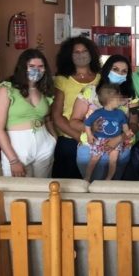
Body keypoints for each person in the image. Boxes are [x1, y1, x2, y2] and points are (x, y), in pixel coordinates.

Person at [71, 55, 136, 181]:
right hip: (91, 149)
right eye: (115, 69)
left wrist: (120, 138)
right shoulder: (90, 92)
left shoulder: (130, 96)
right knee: (90, 187)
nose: (119, 74)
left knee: (112, 188)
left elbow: (134, 123)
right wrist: (91, 128)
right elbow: (73, 122)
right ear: (106, 70)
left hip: (119, 149)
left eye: (124, 71)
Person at [0, 49, 56, 177]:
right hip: (17, 145)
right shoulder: (6, 89)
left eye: (41, 66)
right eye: (32, 66)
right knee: (18, 187)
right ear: (23, 67)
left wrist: (53, 138)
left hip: (44, 143)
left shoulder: (43, 90)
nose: (37, 70)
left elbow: (47, 118)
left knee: (43, 187)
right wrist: (13, 160)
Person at [51, 36, 101, 178]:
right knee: (68, 184)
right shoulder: (62, 80)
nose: (81, 55)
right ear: (69, 55)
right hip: (69, 139)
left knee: (95, 181)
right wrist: (79, 137)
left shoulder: (101, 78)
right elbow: (57, 116)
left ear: (91, 53)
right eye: (76, 52)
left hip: (97, 138)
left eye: (84, 51)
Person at [83, 84, 133, 181]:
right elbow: (87, 124)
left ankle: (108, 179)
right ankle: (87, 177)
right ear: (110, 100)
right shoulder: (98, 113)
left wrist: (127, 132)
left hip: (116, 140)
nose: (121, 99)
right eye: (118, 98)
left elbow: (124, 125)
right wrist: (89, 135)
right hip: (99, 139)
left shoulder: (120, 113)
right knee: (94, 159)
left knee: (113, 160)